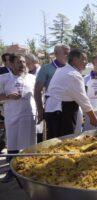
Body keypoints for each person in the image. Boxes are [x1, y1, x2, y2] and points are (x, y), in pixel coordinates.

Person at [44, 49, 97, 138]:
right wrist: (93, 117)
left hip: (52, 111)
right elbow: (83, 99)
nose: (86, 62)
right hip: (61, 113)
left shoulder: (61, 70)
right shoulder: (74, 74)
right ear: (75, 60)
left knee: (54, 142)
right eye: (83, 59)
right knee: (64, 142)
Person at [0, 54, 37, 183]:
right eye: (18, 62)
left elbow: (39, 94)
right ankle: (11, 171)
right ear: (11, 63)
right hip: (12, 116)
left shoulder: (32, 78)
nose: (22, 65)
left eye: (23, 62)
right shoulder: (4, 78)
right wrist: (8, 96)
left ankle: (31, 169)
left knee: (30, 144)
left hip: (29, 115)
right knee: (13, 144)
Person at [34, 44, 70, 127]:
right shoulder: (46, 68)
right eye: (65, 53)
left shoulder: (71, 68)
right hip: (53, 109)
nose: (67, 55)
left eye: (68, 53)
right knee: (54, 138)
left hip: (70, 109)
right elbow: (37, 90)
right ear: (56, 54)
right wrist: (40, 109)